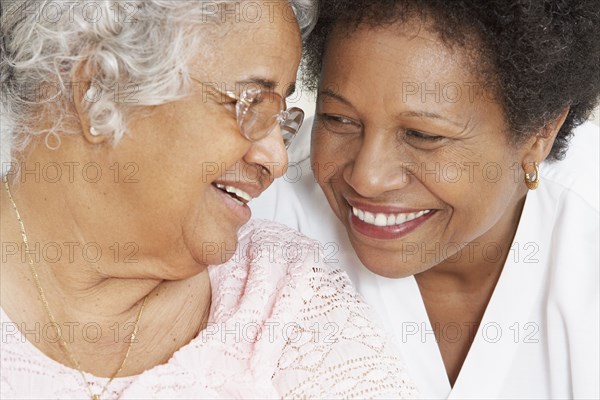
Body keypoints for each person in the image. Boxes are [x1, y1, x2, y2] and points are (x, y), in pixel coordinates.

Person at [0, 1, 419, 398]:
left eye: (281, 120)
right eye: (252, 102)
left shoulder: (287, 296)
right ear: (98, 91)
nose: (276, 158)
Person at [251, 0, 600, 398]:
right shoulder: (259, 215)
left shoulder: (588, 227)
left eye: (422, 135)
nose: (367, 178)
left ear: (541, 132)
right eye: (339, 119)